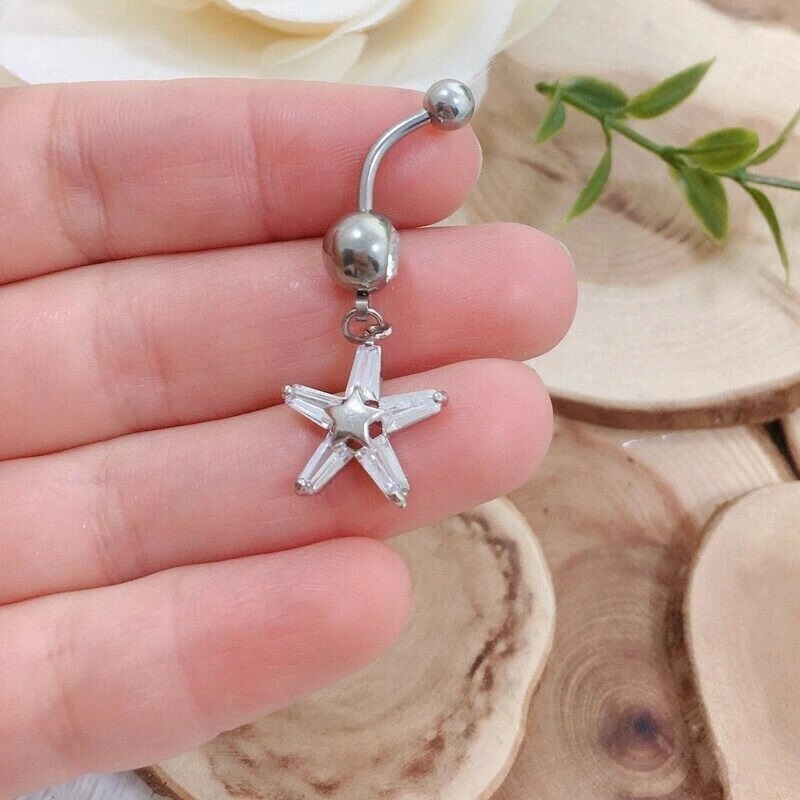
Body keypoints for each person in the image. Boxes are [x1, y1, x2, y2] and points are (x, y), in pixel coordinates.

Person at [0, 78, 576, 795]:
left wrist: (386, 422)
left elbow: (367, 411)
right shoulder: (344, 390)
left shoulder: (366, 380)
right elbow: (341, 412)